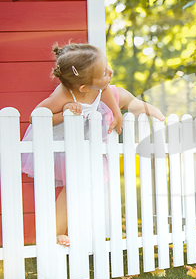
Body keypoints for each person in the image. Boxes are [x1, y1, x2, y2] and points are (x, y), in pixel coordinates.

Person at [21, 43, 165, 246]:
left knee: (120, 93)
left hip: (87, 131)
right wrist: (65, 112)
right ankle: (56, 233)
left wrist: (116, 112)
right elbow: (36, 117)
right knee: (71, 187)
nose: (111, 72)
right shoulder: (62, 96)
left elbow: (105, 89)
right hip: (64, 141)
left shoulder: (97, 85)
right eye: (105, 72)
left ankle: (143, 107)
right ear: (83, 87)